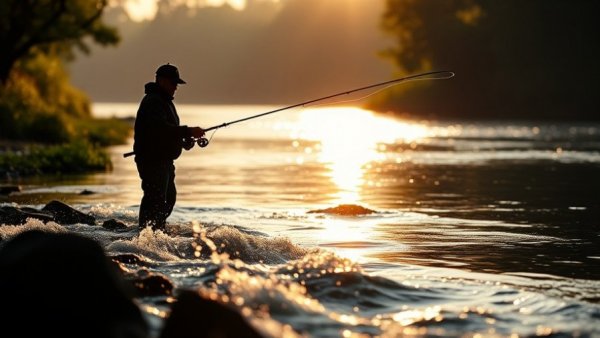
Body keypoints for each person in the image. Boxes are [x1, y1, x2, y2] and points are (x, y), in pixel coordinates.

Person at [133, 63, 204, 230]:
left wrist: (183, 142)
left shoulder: (164, 101)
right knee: (155, 198)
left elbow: (166, 133)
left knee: (168, 198)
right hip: (152, 160)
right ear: (162, 81)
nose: (176, 88)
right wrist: (188, 131)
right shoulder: (153, 101)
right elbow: (160, 130)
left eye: (176, 84)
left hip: (164, 161)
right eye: (173, 83)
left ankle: (156, 230)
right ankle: (146, 233)